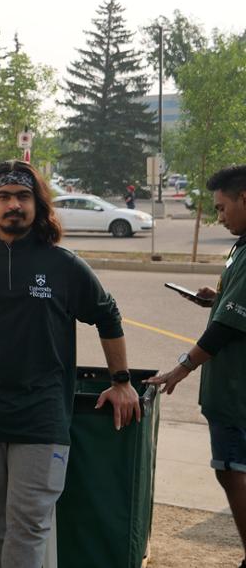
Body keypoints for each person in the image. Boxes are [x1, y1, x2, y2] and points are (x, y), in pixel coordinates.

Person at [0, 160, 141, 568]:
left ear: (38, 205)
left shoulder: (63, 264)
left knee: (28, 526)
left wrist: (120, 380)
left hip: (42, 416)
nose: (13, 205)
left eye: (23, 196)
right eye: (4, 197)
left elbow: (108, 315)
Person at [148, 164, 246, 568]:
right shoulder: (240, 246)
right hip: (231, 388)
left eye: (222, 207)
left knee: (232, 471)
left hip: (238, 392)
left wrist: (180, 368)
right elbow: (232, 305)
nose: (218, 216)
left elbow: (226, 326)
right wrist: (217, 296)